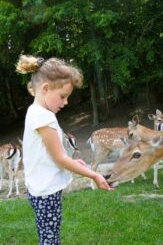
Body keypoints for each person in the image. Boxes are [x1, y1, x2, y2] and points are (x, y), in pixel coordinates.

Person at [16, 55, 113, 244]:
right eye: (63, 96)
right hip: (46, 193)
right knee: (50, 240)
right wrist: (93, 175)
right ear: (45, 89)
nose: (66, 102)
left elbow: (49, 154)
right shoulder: (45, 118)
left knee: (47, 236)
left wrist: (71, 163)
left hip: (38, 190)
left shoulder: (33, 112)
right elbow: (60, 158)